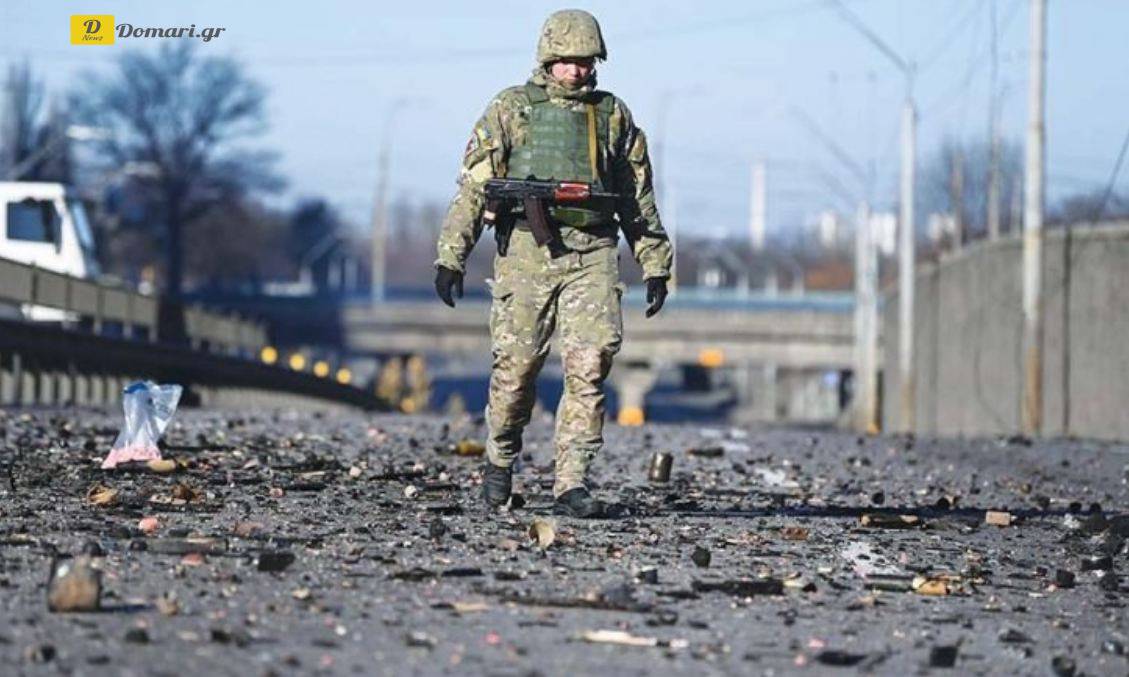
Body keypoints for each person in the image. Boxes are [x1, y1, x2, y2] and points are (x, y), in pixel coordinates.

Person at [434, 9, 672, 517]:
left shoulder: (612, 116)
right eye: (566, 60)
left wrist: (654, 261)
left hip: (593, 251)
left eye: (585, 61)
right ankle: (500, 458)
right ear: (547, 59)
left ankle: (571, 481)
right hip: (527, 252)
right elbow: (474, 187)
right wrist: (452, 255)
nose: (576, 70)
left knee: (590, 365)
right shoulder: (511, 108)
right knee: (517, 369)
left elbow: (637, 197)